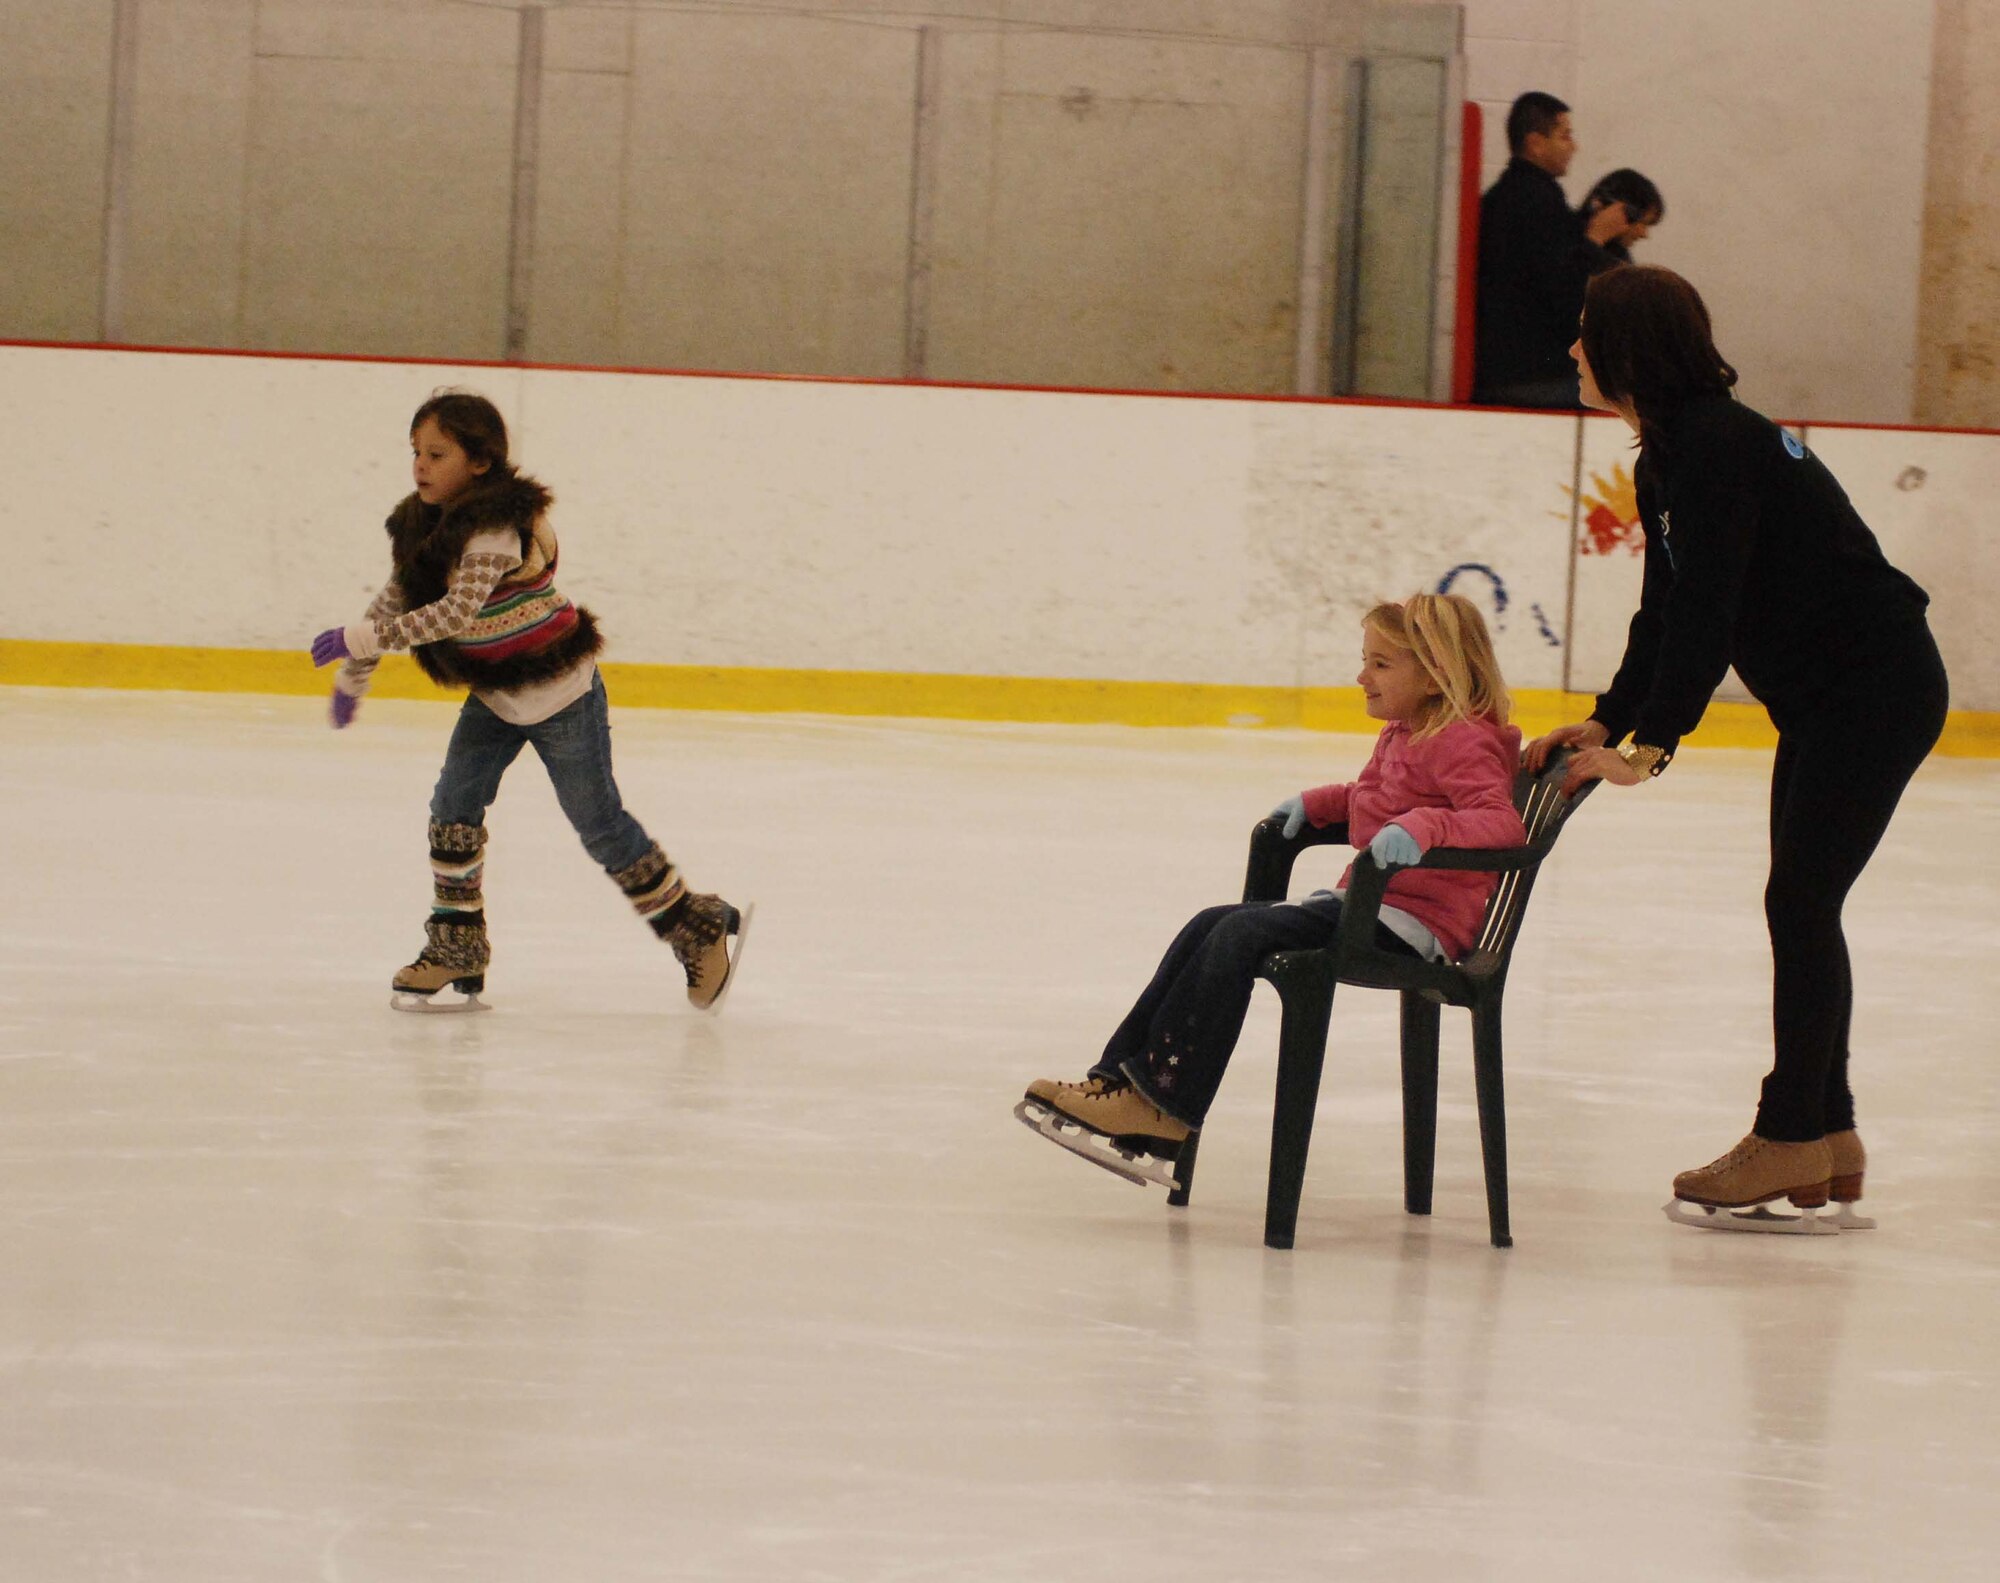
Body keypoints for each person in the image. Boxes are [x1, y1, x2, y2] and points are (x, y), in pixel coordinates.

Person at [1527, 265, 1947, 1230]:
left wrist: (1656, 747)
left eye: (1587, 331)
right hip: (1829, 699)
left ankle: (1793, 1127)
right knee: (1802, 900)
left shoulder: (1718, 444)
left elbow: (1710, 611)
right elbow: (1665, 609)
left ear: (1630, 345)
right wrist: (1608, 717)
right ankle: (1826, 1135)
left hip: (1876, 688)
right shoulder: (1671, 452)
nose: (1572, 349)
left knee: (1800, 899)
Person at [1017, 594, 1527, 1186]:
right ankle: (1117, 1083)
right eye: (1365, 659)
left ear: (1438, 672)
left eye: (1383, 664)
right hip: (1368, 909)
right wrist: (1321, 803)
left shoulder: (1462, 739)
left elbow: (1500, 822)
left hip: (1409, 927)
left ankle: (1164, 1107)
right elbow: (1374, 799)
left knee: (1241, 930)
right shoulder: (1402, 732)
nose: (1362, 676)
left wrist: (1425, 827)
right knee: (1212, 921)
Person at [309, 389, 749, 1012]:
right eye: (415, 452)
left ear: (481, 462)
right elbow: (396, 597)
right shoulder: (424, 524)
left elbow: (455, 612)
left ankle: (694, 929)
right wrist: (356, 675)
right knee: (453, 809)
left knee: (599, 825)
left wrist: (360, 640)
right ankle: (457, 945)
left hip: (561, 692)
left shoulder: (494, 526)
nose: (420, 467)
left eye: (437, 454)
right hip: (495, 695)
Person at [1472, 92, 1629, 408]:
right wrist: (1596, 239)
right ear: (1536, 143)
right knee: (1622, 399)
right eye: (1565, 136)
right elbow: (1562, 292)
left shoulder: (1514, 196)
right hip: (1531, 375)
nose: (1574, 146)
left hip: (1510, 369)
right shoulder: (1534, 204)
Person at [1578, 168, 1664, 265]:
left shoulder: (1619, 257)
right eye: (1642, 223)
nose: (1644, 234)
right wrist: (1595, 239)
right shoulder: (1563, 245)